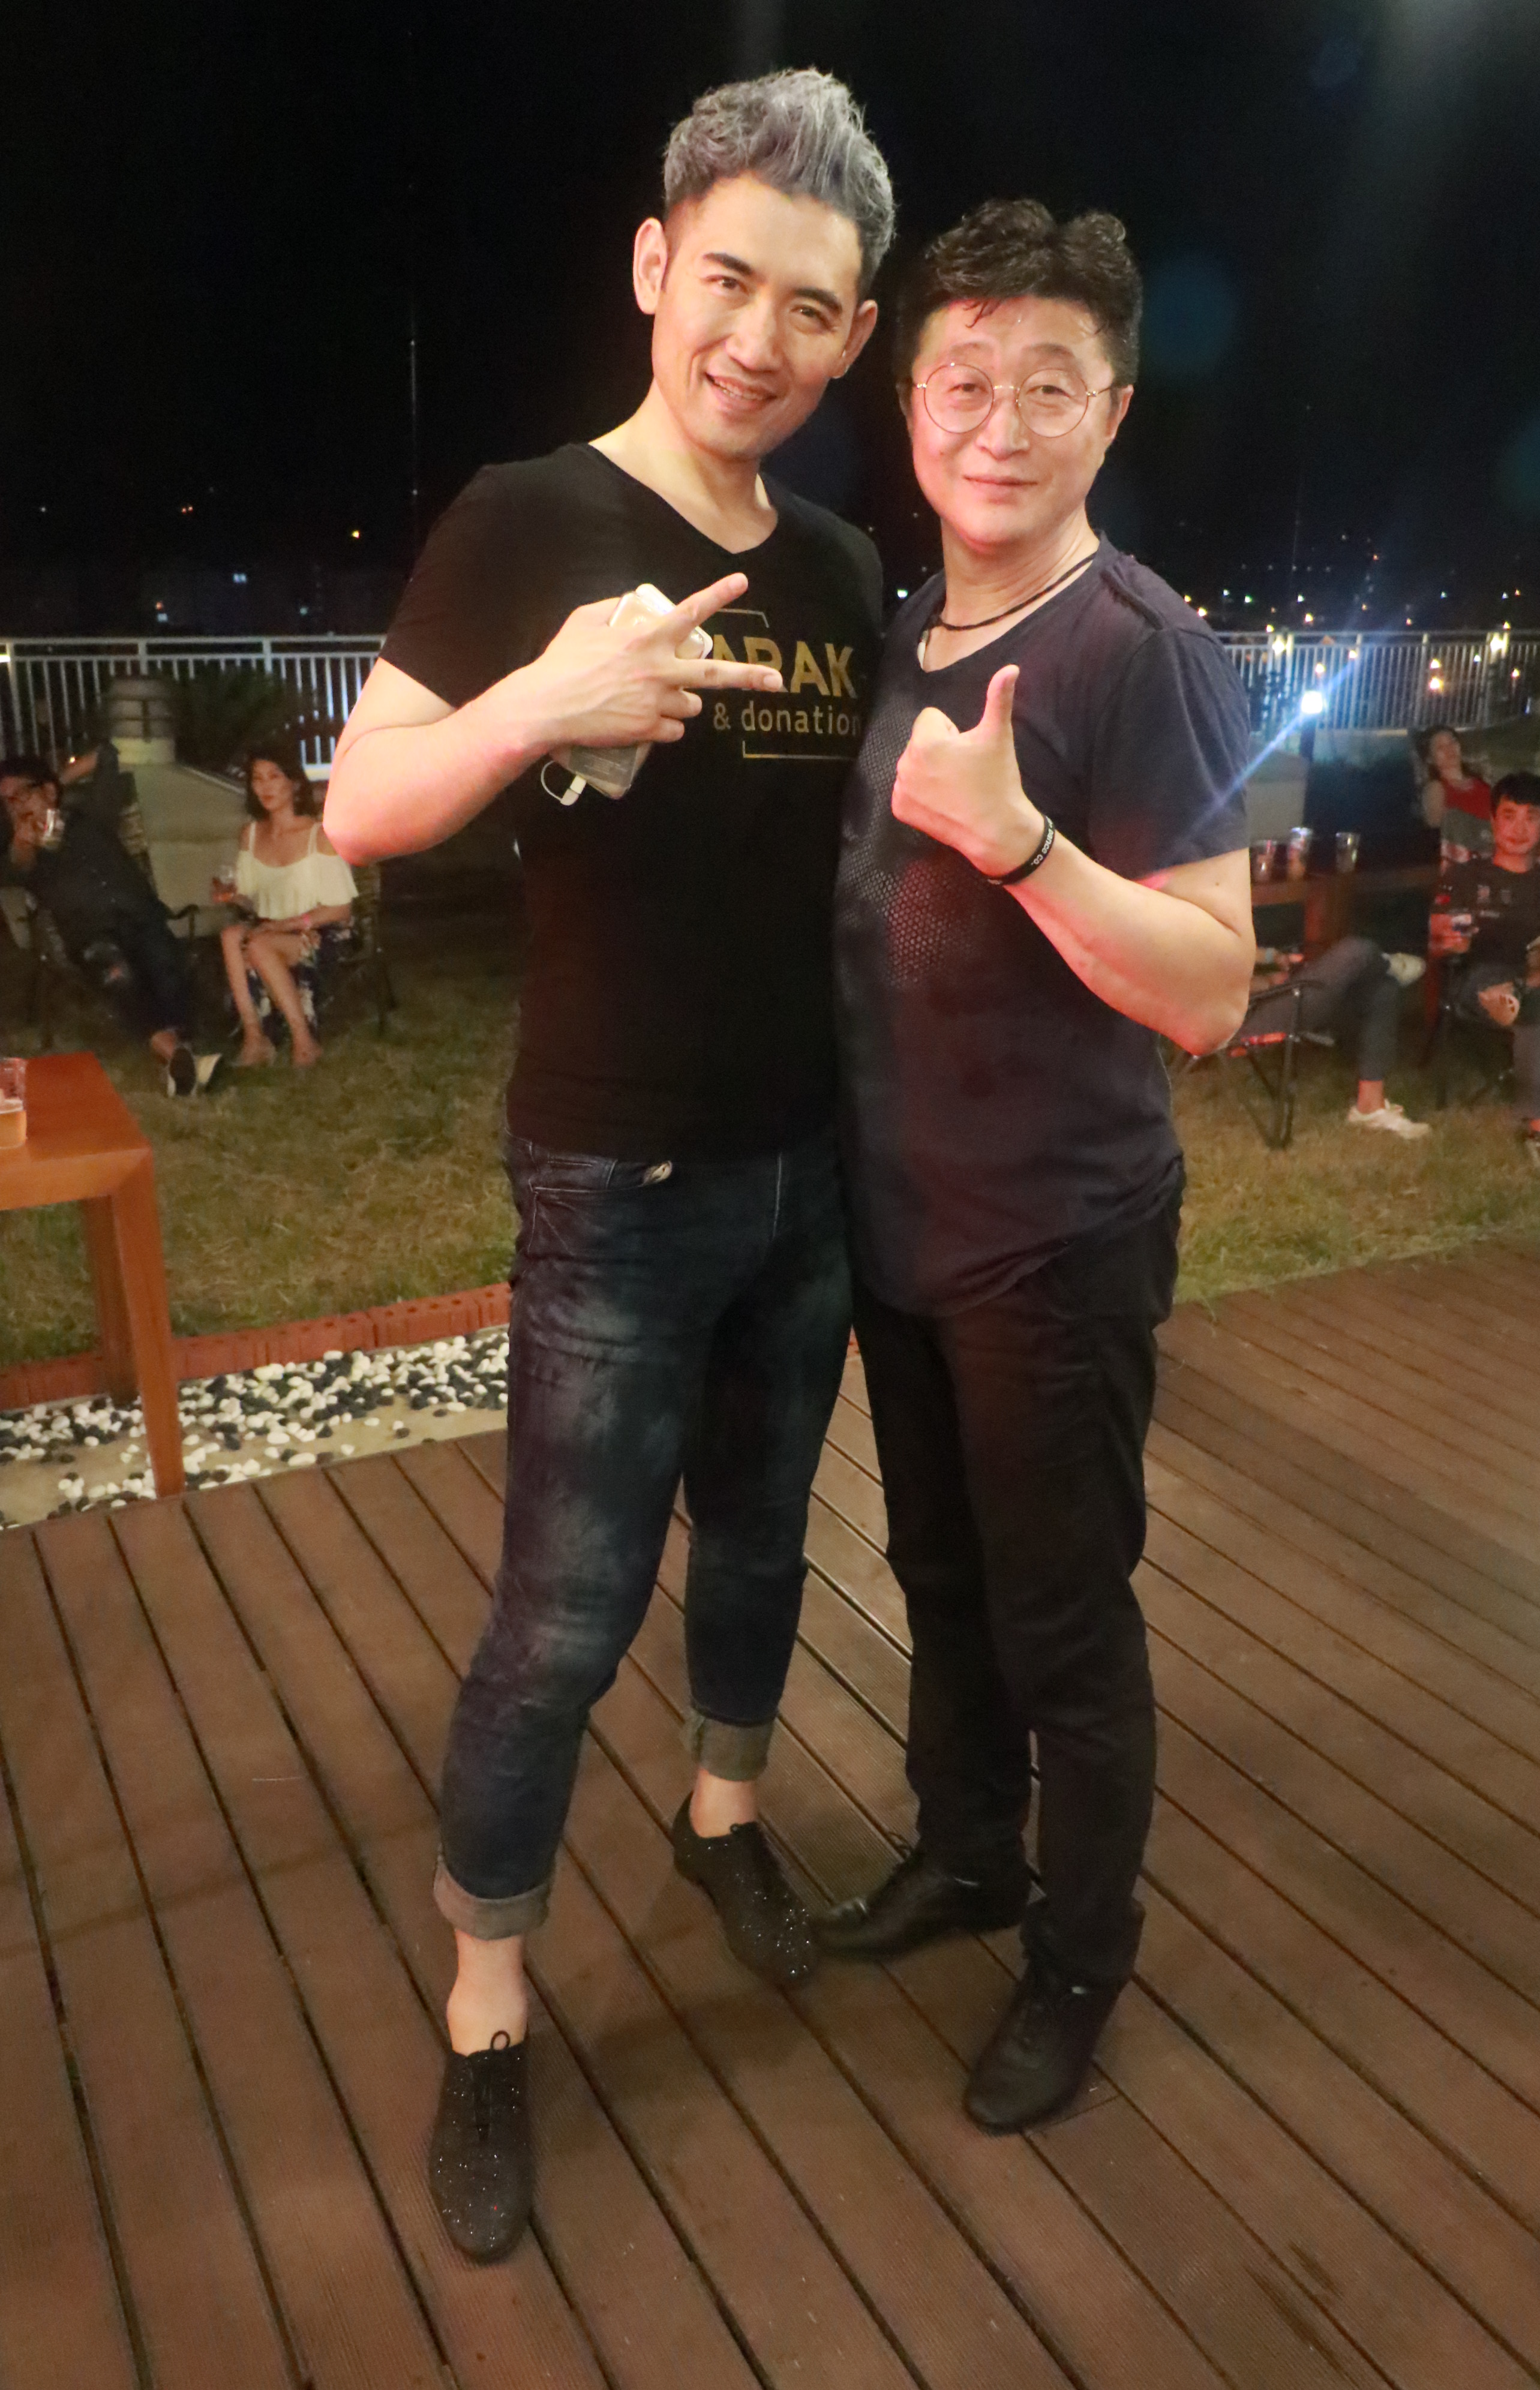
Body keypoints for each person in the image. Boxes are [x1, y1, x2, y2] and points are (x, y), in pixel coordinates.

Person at [323, 70, 892, 2260]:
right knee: (561, 1616)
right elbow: (364, 807)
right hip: (614, 1180)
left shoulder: (839, 568)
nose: (759, 335)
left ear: (851, 338)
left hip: (807, 1168)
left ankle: (723, 1814)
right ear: (655, 268)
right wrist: (537, 706)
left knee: (760, 1541)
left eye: (809, 307)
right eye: (727, 278)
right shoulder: (528, 520)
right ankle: (486, 2009)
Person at [825, 200, 1254, 2135]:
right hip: (905, 1220)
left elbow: (1215, 990)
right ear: (912, 404)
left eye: (1050, 387)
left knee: (1064, 1616)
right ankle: (967, 1850)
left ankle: (1081, 1955)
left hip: (1056, 1240)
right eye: (965, 382)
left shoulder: (1141, 652)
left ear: (1115, 411)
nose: (1001, 426)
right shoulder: (906, 630)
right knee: (939, 1571)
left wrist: (1021, 847)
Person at [0, 743, 205, 1093]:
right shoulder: (23, 849)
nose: (16, 805)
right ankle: (178, 1056)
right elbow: (15, 869)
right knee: (118, 977)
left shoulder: (92, 815)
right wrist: (23, 842)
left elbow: (107, 754)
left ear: (48, 791)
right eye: (7, 801)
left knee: (166, 970)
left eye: (21, 794)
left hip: (140, 917)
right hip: (91, 935)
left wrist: (55, 783)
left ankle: (176, 1060)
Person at [1431, 770, 1540, 1173]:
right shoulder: (1465, 877)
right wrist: (1450, 940)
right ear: (1493, 820)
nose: (1519, 829)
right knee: (1538, 1004)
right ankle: (1539, 1129)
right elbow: (1439, 939)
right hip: (1485, 981)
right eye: (1509, 816)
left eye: (1531, 817)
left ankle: (1526, 985)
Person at [217, 746, 356, 1067]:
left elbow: (341, 910)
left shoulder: (318, 836)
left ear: (294, 783)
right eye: (257, 779)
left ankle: (304, 1041)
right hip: (271, 925)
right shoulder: (251, 834)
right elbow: (251, 896)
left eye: (274, 777)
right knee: (230, 935)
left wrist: (283, 926)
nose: (265, 786)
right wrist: (233, 896)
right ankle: (255, 1038)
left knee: (260, 944)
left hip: (317, 929)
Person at [1239, 935, 1431, 1139]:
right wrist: (1270, 981)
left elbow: (1238, 953)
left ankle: (1370, 1107)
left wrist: (1274, 957)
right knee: (1356, 951)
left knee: (1382, 991)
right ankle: (1387, 965)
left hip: (1269, 1000)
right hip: (1246, 1019)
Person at [1418, 723, 1540, 875]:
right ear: (1430, 759)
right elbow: (1438, 829)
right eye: (1440, 747)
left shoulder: (1481, 780)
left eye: (1452, 742)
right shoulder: (1436, 788)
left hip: (1502, 834)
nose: (1449, 749)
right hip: (1474, 844)